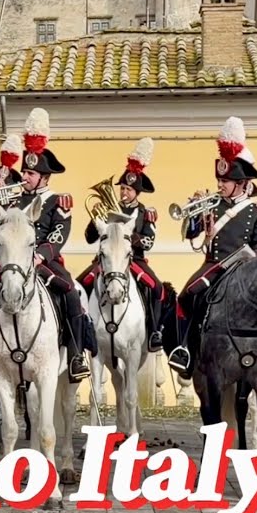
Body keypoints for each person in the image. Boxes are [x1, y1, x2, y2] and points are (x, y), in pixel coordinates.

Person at [0, 107, 90, 383]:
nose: (26, 177)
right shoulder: (14, 201)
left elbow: (59, 234)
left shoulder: (57, 201)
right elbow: (0, 233)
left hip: (44, 262)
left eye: (31, 173)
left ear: (45, 177)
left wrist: (41, 256)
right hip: (13, 263)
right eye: (25, 172)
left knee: (71, 294)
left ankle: (76, 356)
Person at [166, 116, 257, 380]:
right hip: (213, 266)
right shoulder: (212, 205)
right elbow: (191, 234)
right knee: (187, 296)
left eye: (225, 181)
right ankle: (186, 350)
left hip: (243, 270)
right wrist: (195, 216)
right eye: (219, 180)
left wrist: (253, 258)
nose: (219, 185)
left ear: (241, 183)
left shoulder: (256, 211)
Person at [76, 137, 170, 352]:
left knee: (157, 288)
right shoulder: (108, 209)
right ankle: (83, 330)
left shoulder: (146, 213)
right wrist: (96, 218)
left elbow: (148, 242)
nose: (124, 193)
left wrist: (131, 236)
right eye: (123, 188)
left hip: (133, 260)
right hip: (106, 261)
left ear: (137, 192)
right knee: (80, 285)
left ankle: (154, 331)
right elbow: (89, 238)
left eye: (129, 189)